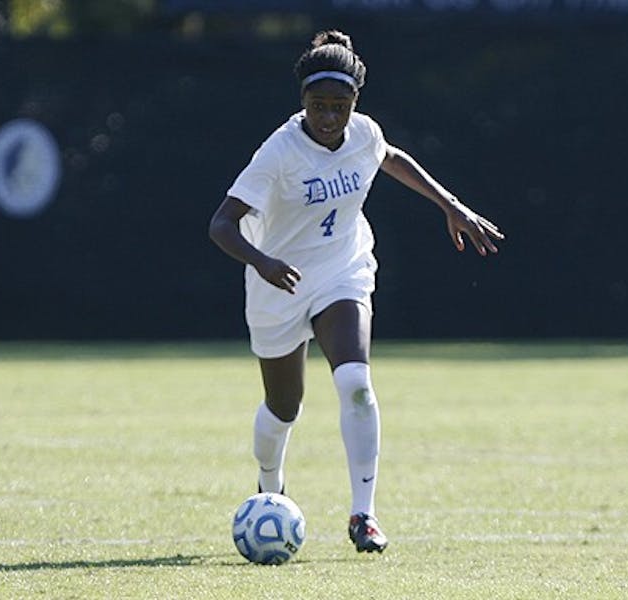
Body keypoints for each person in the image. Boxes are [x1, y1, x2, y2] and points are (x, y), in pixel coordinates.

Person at [208, 30, 504, 554]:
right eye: (317, 106)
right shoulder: (279, 151)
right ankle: (270, 490)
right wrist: (262, 261)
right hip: (278, 281)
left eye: (338, 107)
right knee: (283, 407)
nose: (327, 118)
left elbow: (389, 156)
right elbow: (222, 225)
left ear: (354, 103)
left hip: (341, 270)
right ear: (302, 102)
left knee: (356, 383)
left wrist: (450, 205)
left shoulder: (363, 133)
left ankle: (364, 515)